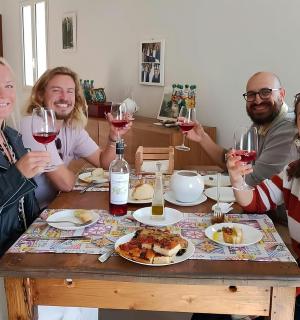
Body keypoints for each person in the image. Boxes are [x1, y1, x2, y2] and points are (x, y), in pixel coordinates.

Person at [225, 92, 300, 320]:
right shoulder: (292, 171)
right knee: (215, 306)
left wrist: (266, 300)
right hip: (292, 273)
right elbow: (256, 201)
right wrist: (237, 179)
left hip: (291, 289)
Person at [186, 71, 296, 224]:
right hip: (255, 210)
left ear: (282, 94)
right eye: (251, 95)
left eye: (265, 92)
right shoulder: (262, 123)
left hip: (278, 225)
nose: (257, 100)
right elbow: (231, 162)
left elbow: (252, 181)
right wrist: (202, 137)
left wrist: (236, 175)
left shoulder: (289, 128)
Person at [20, 66, 132, 209]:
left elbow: (104, 163)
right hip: (30, 217)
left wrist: (113, 137)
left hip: (56, 205)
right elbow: (65, 183)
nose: (64, 97)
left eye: (70, 91)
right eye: (56, 90)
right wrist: (73, 175)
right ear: (41, 95)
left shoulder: (71, 127)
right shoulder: (33, 125)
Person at [0, 58, 50, 320]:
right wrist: (19, 174)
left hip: (22, 250)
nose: (3, 95)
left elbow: (26, 198)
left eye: (8, 85)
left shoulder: (11, 136)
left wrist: (42, 230)